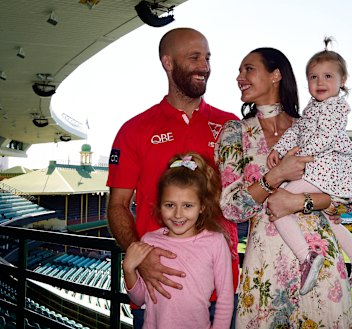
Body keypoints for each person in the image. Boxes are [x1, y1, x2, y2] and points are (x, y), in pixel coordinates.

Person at [215, 47, 352, 327]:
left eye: (248, 69)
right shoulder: (235, 133)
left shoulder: (315, 125)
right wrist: (276, 175)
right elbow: (231, 208)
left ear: (275, 75)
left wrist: (300, 202)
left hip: (323, 267)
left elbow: (351, 196)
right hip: (266, 269)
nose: (239, 77)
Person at [106, 27, 239, 328]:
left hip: (223, 294)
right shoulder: (134, 129)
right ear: (168, 62)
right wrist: (141, 256)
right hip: (158, 290)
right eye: (194, 57)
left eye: (207, 57)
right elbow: (117, 206)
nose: (204, 66)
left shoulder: (230, 125)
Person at [266, 37, 352, 294]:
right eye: (313, 77)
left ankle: (306, 257)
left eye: (328, 76)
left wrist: (294, 158)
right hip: (320, 171)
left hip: (325, 171)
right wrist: (279, 149)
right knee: (332, 221)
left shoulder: (337, 107)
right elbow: (297, 132)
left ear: (342, 81)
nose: (320, 82)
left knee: (275, 204)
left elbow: (323, 138)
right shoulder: (312, 109)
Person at [123, 153, 233, 329]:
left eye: (188, 206)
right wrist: (128, 270)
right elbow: (140, 298)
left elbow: (225, 299)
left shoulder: (216, 242)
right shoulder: (149, 241)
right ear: (159, 205)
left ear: (202, 207)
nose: (178, 214)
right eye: (170, 205)